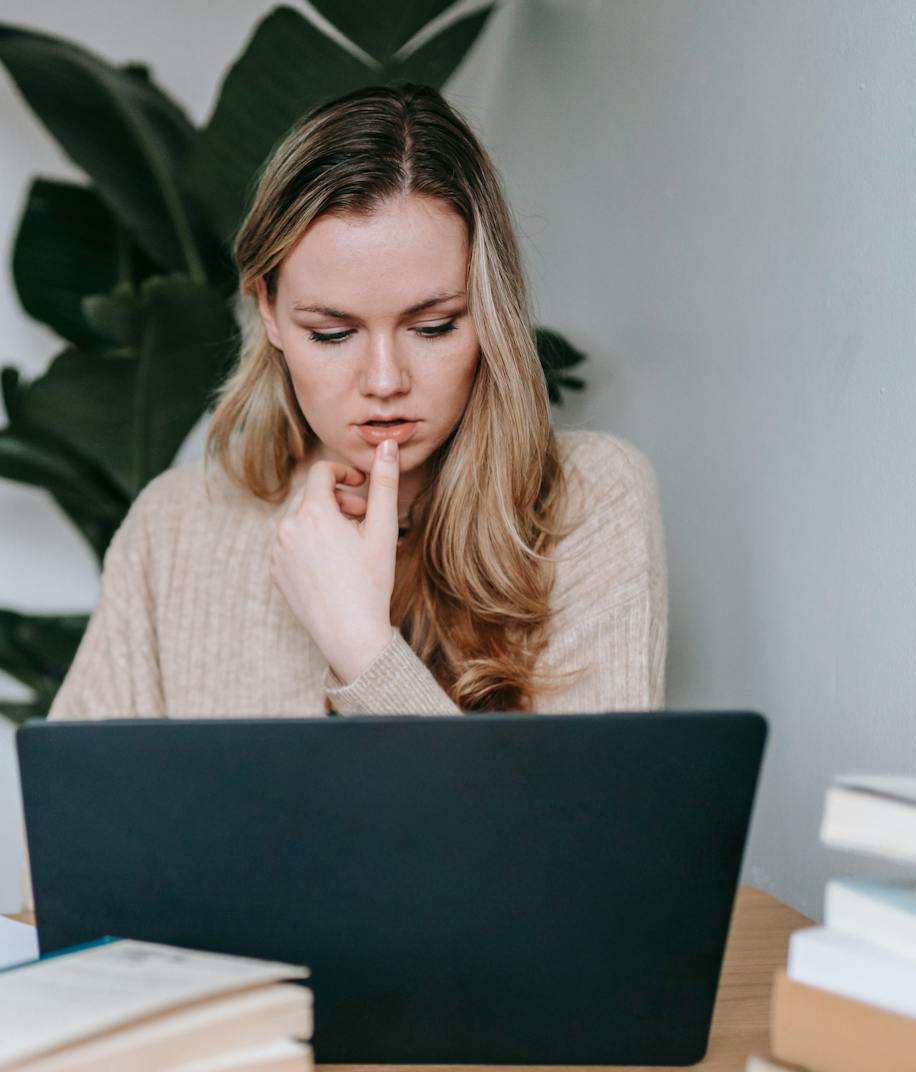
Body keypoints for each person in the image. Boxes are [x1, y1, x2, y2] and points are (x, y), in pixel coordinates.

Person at [49, 84, 666, 721]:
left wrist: (361, 646)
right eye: (332, 333)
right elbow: (78, 811)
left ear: (490, 311)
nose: (384, 380)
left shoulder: (591, 501)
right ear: (270, 313)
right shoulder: (171, 529)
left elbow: (592, 824)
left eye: (434, 327)